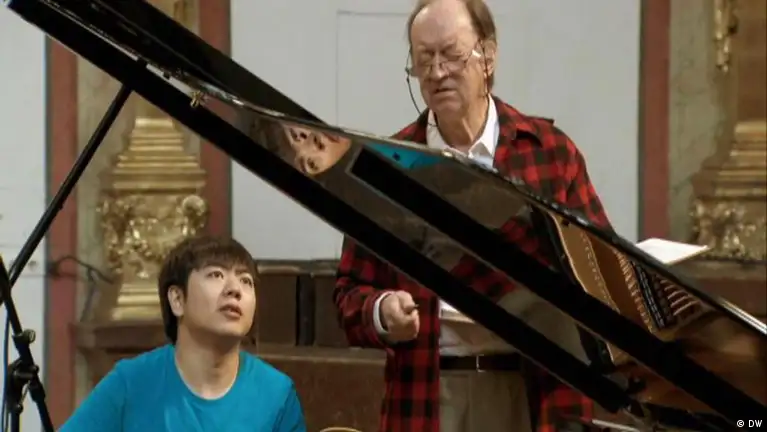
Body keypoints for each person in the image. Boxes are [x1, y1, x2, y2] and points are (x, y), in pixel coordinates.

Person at [333, 0, 613, 431]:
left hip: (536, 391)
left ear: (489, 56)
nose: (436, 71)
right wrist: (381, 311)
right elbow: (349, 293)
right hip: (429, 393)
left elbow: (602, 272)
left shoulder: (550, 154)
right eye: (423, 59)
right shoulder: (386, 168)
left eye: (451, 54)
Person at [60, 235, 307, 432]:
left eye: (246, 281)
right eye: (216, 275)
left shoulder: (277, 394)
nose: (235, 289)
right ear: (177, 299)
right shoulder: (131, 383)